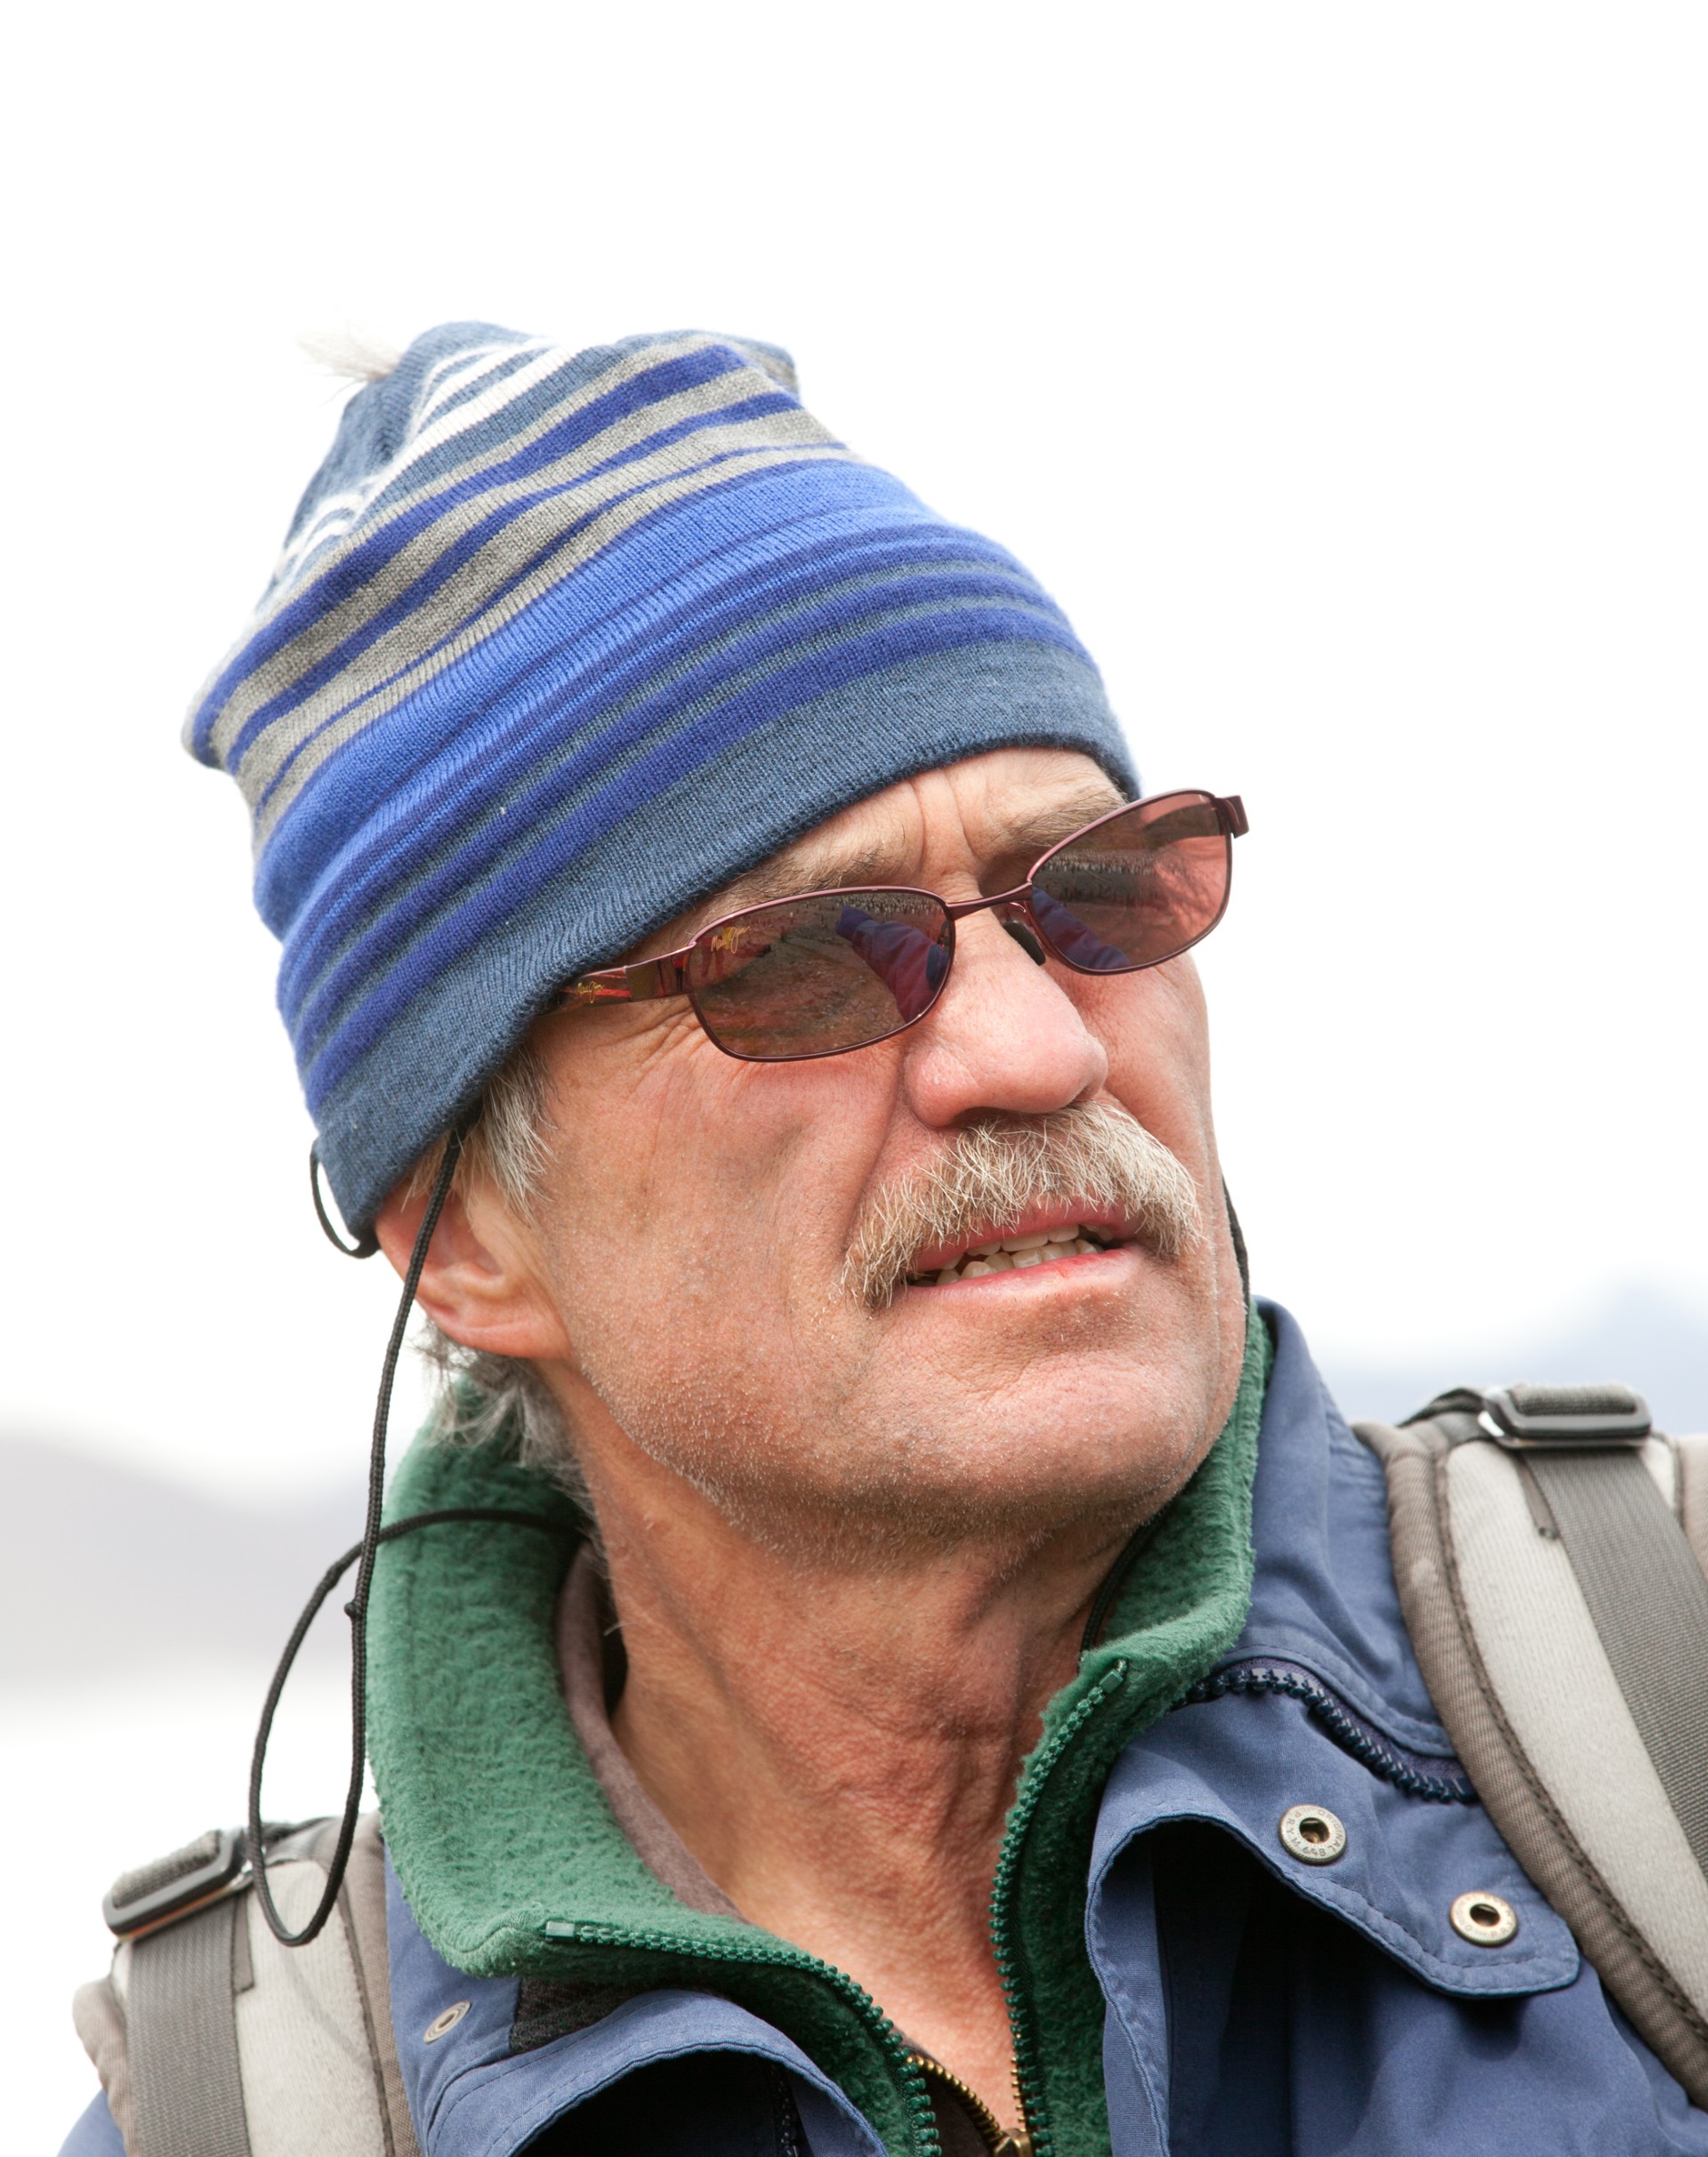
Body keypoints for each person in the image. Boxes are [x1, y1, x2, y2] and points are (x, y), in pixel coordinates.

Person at [60, 325, 1708, 2156]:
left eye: (1095, 890)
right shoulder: (257, 2116)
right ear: (467, 1241)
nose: (1043, 1046)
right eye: (805, 961)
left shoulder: (1663, 1709)